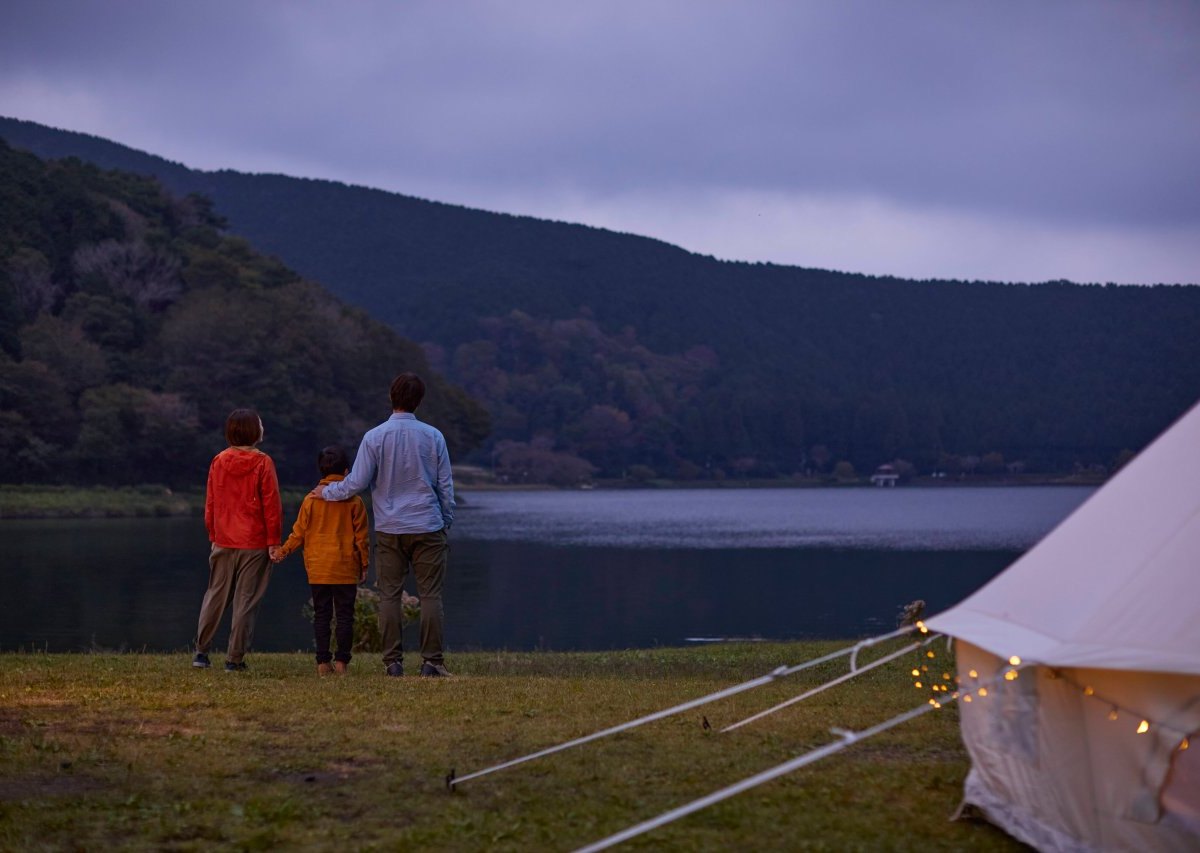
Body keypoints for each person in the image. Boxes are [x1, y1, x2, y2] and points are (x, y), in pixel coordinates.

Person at [313, 373, 454, 677]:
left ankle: (393, 662)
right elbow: (445, 487)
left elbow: (356, 483)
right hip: (428, 523)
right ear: (419, 400)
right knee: (431, 595)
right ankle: (432, 662)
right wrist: (447, 520)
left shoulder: (374, 437)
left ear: (391, 397)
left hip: (390, 527)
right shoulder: (434, 436)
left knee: (389, 594)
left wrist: (327, 491)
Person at [192, 408, 282, 672]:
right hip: (254, 542)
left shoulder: (218, 460)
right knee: (246, 602)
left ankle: (201, 652)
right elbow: (272, 505)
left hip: (223, 539)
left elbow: (211, 502)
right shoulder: (263, 462)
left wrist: (213, 534)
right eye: (260, 424)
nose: (263, 428)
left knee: (215, 596)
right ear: (254, 431)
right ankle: (234, 658)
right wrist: (274, 541)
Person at [271, 446, 370, 675]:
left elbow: (299, 533)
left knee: (322, 615)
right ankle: (341, 663)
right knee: (345, 616)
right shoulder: (354, 502)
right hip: (345, 567)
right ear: (347, 471)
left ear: (320, 471)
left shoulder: (310, 500)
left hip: (318, 568)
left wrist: (283, 551)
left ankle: (322, 663)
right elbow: (361, 538)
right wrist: (364, 564)